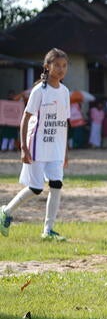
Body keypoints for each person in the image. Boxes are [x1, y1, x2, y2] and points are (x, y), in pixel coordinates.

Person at [0, 48, 70, 240]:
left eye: (64, 66)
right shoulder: (39, 91)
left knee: (57, 184)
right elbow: (25, 118)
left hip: (56, 148)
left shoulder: (65, 92)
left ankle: (48, 230)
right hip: (37, 146)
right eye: (57, 65)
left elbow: (64, 123)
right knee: (36, 188)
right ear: (47, 67)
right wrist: (23, 147)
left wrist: (65, 151)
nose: (61, 69)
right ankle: (6, 211)